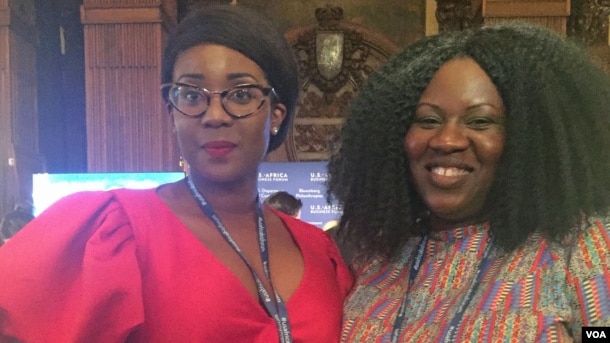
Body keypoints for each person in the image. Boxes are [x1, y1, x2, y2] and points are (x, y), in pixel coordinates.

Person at [0, 5, 352, 342]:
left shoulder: (319, 250)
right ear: (172, 113)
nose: (215, 115)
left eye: (242, 94)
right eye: (191, 94)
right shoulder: (115, 230)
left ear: (275, 115)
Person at [327, 22, 610, 342]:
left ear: (530, 138)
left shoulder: (582, 248)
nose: (446, 140)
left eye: (480, 121)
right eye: (428, 120)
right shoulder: (377, 258)